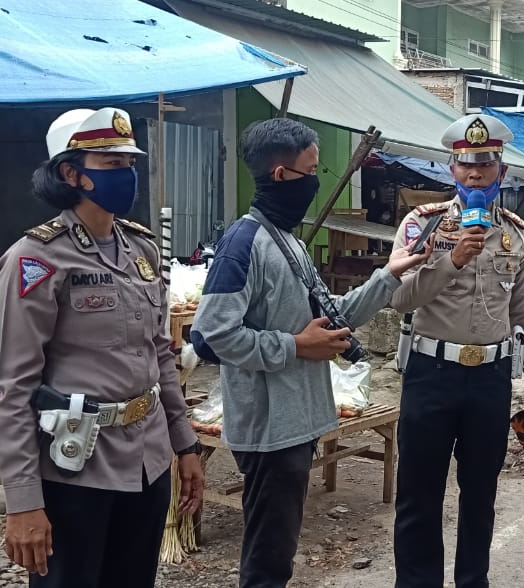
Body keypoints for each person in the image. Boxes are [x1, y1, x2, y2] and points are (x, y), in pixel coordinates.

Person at [189, 118, 430, 588]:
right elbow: (210, 337)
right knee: (268, 559)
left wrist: (389, 274)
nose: (317, 182)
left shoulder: (289, 242)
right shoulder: (244, 243)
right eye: (312, 170)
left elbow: (332, 315)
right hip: (269, 429)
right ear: (281, 175)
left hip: (296, 421)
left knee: (278, 552)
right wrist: (296, 346)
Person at [0, 107, 204, 588]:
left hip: (147, 459)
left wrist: (184, 443)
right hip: (76, 466)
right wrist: (23, 502)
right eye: (111, 164)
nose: (127, 175)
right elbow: (16, 388)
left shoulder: (141, 249)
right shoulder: (36, 260)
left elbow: (160, 353)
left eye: (129, 163)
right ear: (71, 174)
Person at [389, 113, 524, 588]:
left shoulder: (515, 233)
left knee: (481, 494)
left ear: (502, 169)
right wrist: (451, 260)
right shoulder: (422, 225)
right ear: (451, 168)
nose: (475, 174)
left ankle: (472, 581)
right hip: (430, 373)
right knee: (418, 495)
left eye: (485, 164)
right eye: (465, 165)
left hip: (490, 380)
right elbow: (399, 299)